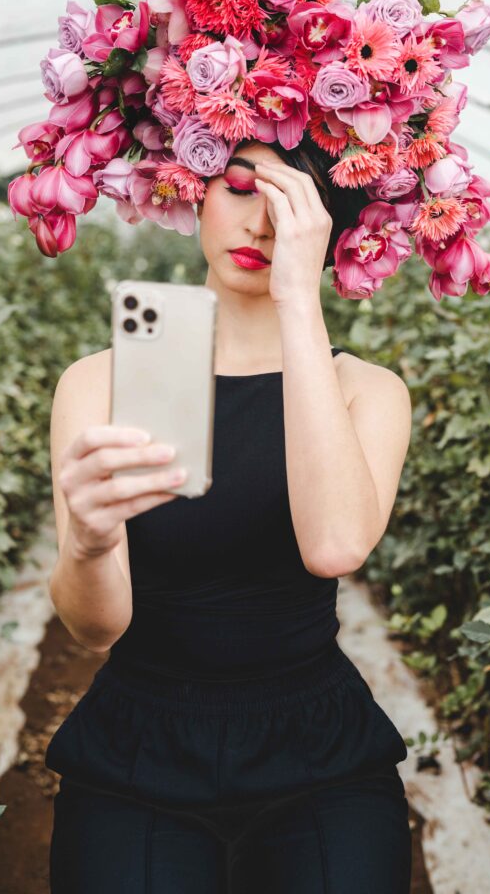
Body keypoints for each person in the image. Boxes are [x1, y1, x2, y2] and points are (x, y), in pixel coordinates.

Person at [44, 129, 414, 893]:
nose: (260, 225)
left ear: (328, 229)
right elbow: (92, 628)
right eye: (241, 187)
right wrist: (86, 543)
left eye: (294, 203)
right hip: (136, 753)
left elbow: (335, 544)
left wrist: (295, 297)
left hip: (320, 757)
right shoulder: (97, 382)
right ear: (196, 190)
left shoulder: (367, 392)